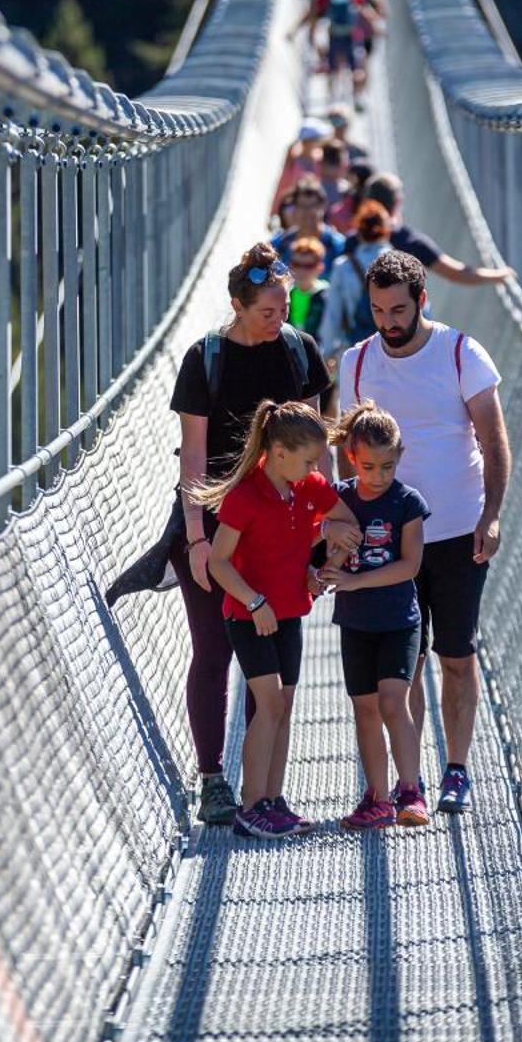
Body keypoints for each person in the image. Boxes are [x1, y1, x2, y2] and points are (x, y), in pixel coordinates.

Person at [168, 243, 334, 826]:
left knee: (275, 661)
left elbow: (315, 451)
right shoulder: (204, 358)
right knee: (213, 648)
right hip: (215, 523)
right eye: (267, 310)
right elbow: (193, 455)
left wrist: (322, 533)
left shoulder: (297, 350)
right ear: (237, 306)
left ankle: (268, 793)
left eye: (285, 307)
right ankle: (214, 779)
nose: (279, 319)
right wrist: (195, 537)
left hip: (282, 526)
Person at [339, 251, 510, 815]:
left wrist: (492, 515)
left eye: (398, 309)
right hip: (386, 539)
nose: (388, 321)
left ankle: (456, 769)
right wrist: (343, 527)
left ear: (422, 301)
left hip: (459, 531)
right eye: (378, 310)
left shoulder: (462, 353)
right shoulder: (358, 362)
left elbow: (493, 440)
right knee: (402, 662)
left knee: (455, 654)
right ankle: (407, 785)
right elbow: (347, 453)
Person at [188, 401, 362, 840]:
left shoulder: (309, 487)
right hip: (250, 617)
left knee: (283, 707)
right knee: (268, 705)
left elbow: (348, 522)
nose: (314, 468)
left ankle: (273, 800)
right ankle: (250, 807)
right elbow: (220, 564)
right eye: (307, 460)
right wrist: (253, 601)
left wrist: (323, 566)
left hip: (290, 612)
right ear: (278, 452)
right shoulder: (244, 496)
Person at [321, 403, 432, 830]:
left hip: (399, 619)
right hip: (356, 622)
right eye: (368, 466)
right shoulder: (340, 499)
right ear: (351, 457)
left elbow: (409, 566)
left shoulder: (408, 503)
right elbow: (327, 555)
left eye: (387, 466)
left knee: (392, 701)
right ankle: (377, 798)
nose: (378, 476)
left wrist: (354, 582)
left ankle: (411, 790)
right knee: (364, 708)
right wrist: (327, 565)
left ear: (400, 455)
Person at [359, 173, 512, 287]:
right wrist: (499, 275)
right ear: (398, 202)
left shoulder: (355, 240)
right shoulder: (408, 241)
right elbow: (457, 273)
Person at [320, 199, 392, 362]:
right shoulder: (400, 263)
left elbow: (333, 314)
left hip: (355, 350)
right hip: (392, 351)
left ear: (358, 230)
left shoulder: (344, 266)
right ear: (386, 230)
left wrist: (327, 352)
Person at [272, 176, 347, 270]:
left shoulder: (338, 245)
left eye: (313, 206)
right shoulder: (279, 243)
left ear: (323, 206)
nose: (307, 212)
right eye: (302, 206)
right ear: (294, 208)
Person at [286, 236, 332, 341]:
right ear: (290, 265)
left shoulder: (328, 295)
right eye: (297, 264)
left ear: (320, 267)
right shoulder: (284, 294)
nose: (301, 271)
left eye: (308, 266)